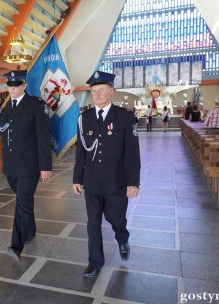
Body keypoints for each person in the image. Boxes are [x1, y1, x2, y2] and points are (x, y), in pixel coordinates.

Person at [0, 70, 52, 261]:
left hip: (30, 165)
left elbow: (43, 138)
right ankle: (29, 230)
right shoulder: (2, 107)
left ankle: (16, 245)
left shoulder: (36, 106)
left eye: (16, 86)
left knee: (22, 202)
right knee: (25, 202)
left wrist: (46, 166)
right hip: (11, 166)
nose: (12, 89)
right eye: (9, 86)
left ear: (24, 86)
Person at [72, 71, 140, 278]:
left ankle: (122, 237)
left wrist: (133, 182)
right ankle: (95, 262)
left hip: (116, 182)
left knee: (116, 218)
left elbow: (132, 152)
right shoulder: (84, 118)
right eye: (94, 91)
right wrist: (77, 178)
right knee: (93, 221)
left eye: (102, 90)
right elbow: (81, 150)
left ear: (112, 91)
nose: (98, 95)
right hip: (92, 181)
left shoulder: (125, 117)